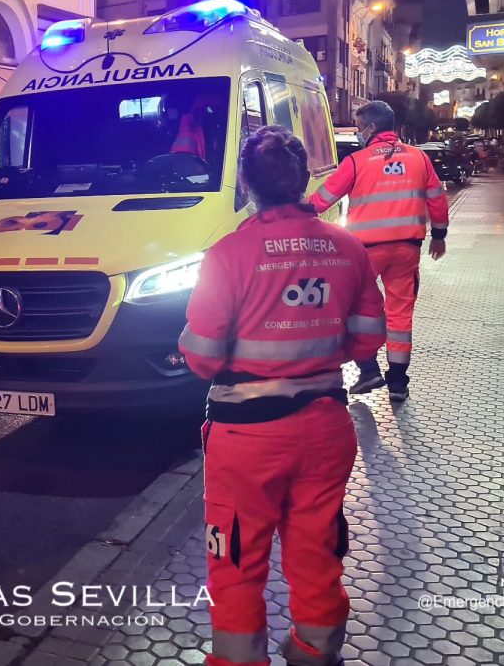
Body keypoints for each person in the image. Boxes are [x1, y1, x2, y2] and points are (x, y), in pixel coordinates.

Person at [179, 126, 385, 666]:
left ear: (247, 184)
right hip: (326, 427)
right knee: (319, 550)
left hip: (247, 439)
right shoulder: (347, 247)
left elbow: (201, 356)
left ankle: (239, 658)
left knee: (236, 557)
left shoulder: (228, 254)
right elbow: (368, 338)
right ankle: (316, 652)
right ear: (303, 180)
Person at [310, 101, 448, 401]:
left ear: (372, 128)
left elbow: (322, 200)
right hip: (407, 250)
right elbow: (437, 198)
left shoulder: (356, 162)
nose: (358, 133)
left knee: (350, 307)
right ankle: (397, 383)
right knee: (400, 315)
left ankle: (369, 369)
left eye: (360, 128)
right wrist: (439, 235)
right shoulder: (419, 158)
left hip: (365, 254)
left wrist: (291, 209)